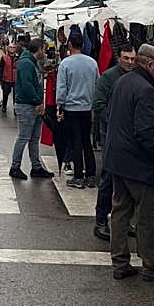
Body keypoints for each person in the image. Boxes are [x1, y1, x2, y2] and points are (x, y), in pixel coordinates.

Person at [104, 43, 154, 282]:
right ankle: (152, 266)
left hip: (118, 159)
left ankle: (120, 262)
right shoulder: (145, 89)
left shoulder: (123, 82)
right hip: (139, 164)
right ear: (149, 64)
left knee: (120, 212)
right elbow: (145, 132)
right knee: (147, 216)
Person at [92, 44, 136, 240]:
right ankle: (101, 221)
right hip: (110, 135)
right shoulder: (109, 77)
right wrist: (115, 123)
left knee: (129, 181)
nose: (129, 62)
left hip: (131, 138)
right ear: (118, 58)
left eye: (132, 58)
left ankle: (124, 221)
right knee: (108, 179)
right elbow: (98, 105)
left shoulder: (136, 77)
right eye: (126, 58)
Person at [56, 32, 100, 189]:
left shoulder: (65, 64)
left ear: (69, 45)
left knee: (75, 142)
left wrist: (60, 106)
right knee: (86, 141)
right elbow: (97, 84)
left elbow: (61, 88)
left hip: (71, 108)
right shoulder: (92, 63)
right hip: (87, 108)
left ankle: (78, 177)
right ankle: (91, 175)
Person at [10, 36, 54, 179]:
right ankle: (15, 166)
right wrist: (38, 102)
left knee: (34, 138)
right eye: (44, 50)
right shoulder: (27, 64)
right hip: (27, 105)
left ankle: (36, 167)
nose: (45, 53)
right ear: (39, 49)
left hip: (33, 104)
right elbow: (27, 86)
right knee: (24, 137)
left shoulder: (31, 62)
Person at [0, 42, 19, 114]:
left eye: (13, 47)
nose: (12, 49)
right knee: (5, 94)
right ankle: (4, 106)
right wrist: (0, 79)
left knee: (16, 96)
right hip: (6, 79)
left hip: (16, 79)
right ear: (8, 48)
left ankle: (15, 109)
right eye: (10, 47)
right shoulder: (4, 57)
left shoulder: (18, 57)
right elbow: (0, 68)